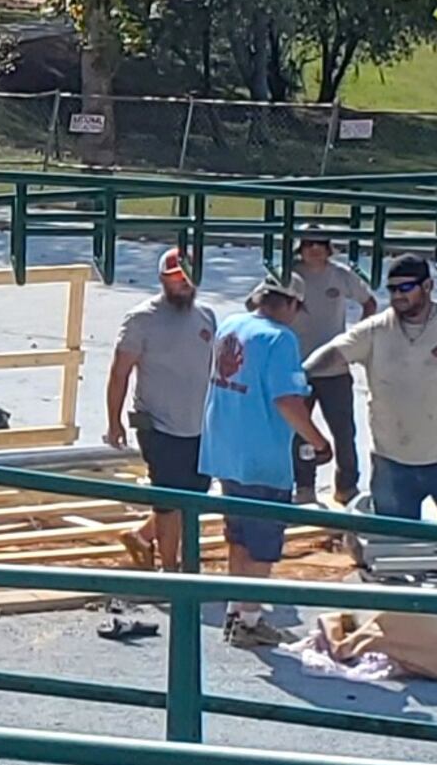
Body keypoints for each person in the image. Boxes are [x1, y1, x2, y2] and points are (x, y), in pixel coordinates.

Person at [305, 254, 437, 593]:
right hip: (393, 458)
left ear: (428, 287)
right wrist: (298, 374)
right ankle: (405, 606)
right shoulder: (376, 330)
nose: (397, 297)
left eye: (406, 288)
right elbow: (334, 353)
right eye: (392, 289)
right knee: (394, 540)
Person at [200, 278, 337, 647]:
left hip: (225, 448)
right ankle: (249, 621)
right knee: (262, 543)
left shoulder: (231, 325)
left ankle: (236, 609)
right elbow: (287, 401)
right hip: (262, 455)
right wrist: (319, 441)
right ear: (291, 305)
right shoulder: (281, 339)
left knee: (238, 538)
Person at [102, 250, 218, 574]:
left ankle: (142, 536)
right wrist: (114, 422)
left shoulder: (206, 316)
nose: (182, 283)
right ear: (163, 279)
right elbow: (120, 371)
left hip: (198, 424)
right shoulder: (142, 318)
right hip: (158, 424)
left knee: (193, 494)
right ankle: (172, 570)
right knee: (168, 500)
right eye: (175, 277)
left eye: (186, 277)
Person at [284, 237, 378, 504]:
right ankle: (304, 486)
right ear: (299, 248)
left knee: (344, 430)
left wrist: (358, 337)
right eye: (308, 244)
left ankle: (346, 486)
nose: (314, 250)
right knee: (300, 429)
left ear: (329, 248)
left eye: (320, 244)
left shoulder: (340, 275)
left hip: (335, 366)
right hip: (297, 366)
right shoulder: (290, 274)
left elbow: (369, 302)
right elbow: (255, 302)